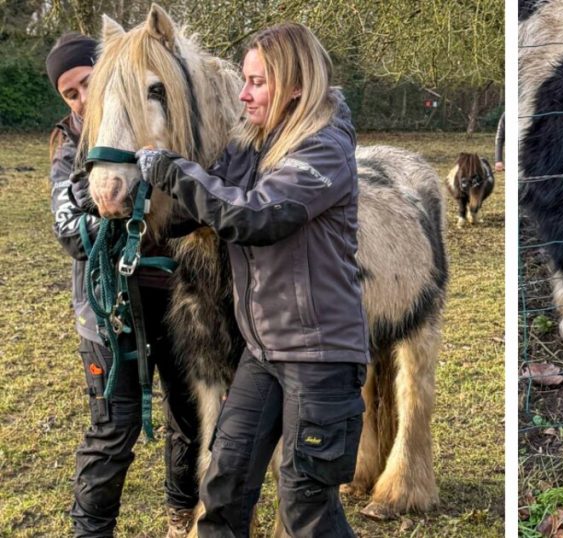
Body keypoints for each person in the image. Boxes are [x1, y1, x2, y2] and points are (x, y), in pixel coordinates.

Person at [136, 22, 368, 537]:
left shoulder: (324, 147)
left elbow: (257, 216)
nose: (244, 94)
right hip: (263, 354)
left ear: (297, 86)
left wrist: (171, 171)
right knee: (224, 487)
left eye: (258, 82)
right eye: (244, 80)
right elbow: (203, 206)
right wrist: (138, 199)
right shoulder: (255, 143)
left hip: (320, 358)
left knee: (306, 510)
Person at [46, 33, 202, 538]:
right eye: (71, 94)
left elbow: (192, 208)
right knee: (114, 428)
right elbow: (69, 231)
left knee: (189, 412)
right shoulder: (70, 145)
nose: (83, 99)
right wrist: (110, 211)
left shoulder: (155, 123)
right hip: (107, 309)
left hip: (176, 299)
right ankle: (91, 532)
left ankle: (182, 512)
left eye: (89, 82)